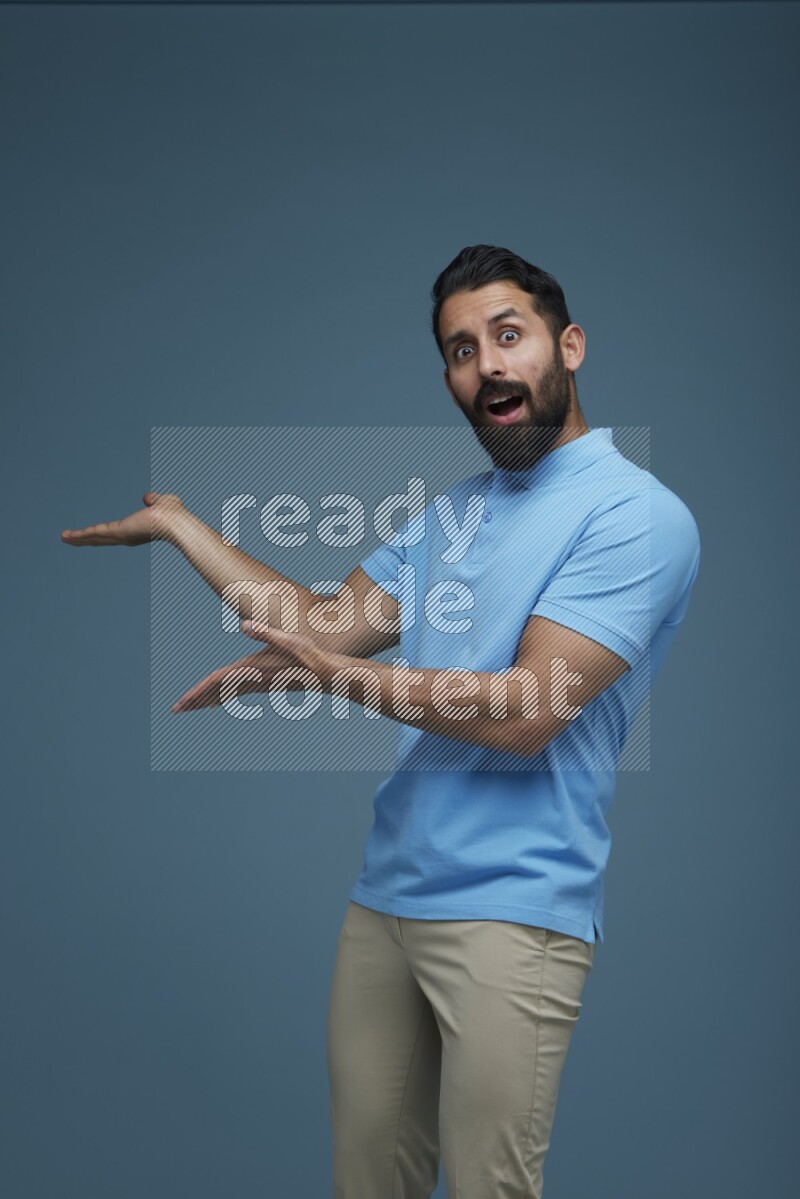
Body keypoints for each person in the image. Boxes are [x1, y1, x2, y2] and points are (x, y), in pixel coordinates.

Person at [61, 244, 701, 1198]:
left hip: (513, 911)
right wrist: (181, 526)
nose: (485, 364)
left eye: (508, 335)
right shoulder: (449, 516)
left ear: (567, 347)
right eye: (459, 349)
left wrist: (329, 678)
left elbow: (528, 714)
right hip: (386, 903)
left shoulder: (637, 516)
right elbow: (321, 628)